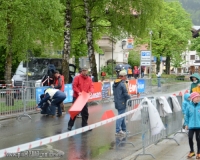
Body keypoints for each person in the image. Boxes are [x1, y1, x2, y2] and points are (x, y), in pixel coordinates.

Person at [113, 70, 131, 136]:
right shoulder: (122, 84)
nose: (126, 77)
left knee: (122, 115)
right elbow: (126, 93)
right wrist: (129, 100)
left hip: (117, 101)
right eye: (125, 76)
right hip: (122, 102)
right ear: (122, 76)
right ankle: (118, 130)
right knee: (120, 116)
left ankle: (124, 129)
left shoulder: (115, 83)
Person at [185, 92, 200, 159]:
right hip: (191, 126)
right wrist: (186, 124)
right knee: (190, 138)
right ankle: (192, 151)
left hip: (199, 126)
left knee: (198, 139)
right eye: (196, 97)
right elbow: (186, 116)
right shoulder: (189, 106)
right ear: (193, 98)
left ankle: (199, 153)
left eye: (199, 97)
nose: (198, 98)